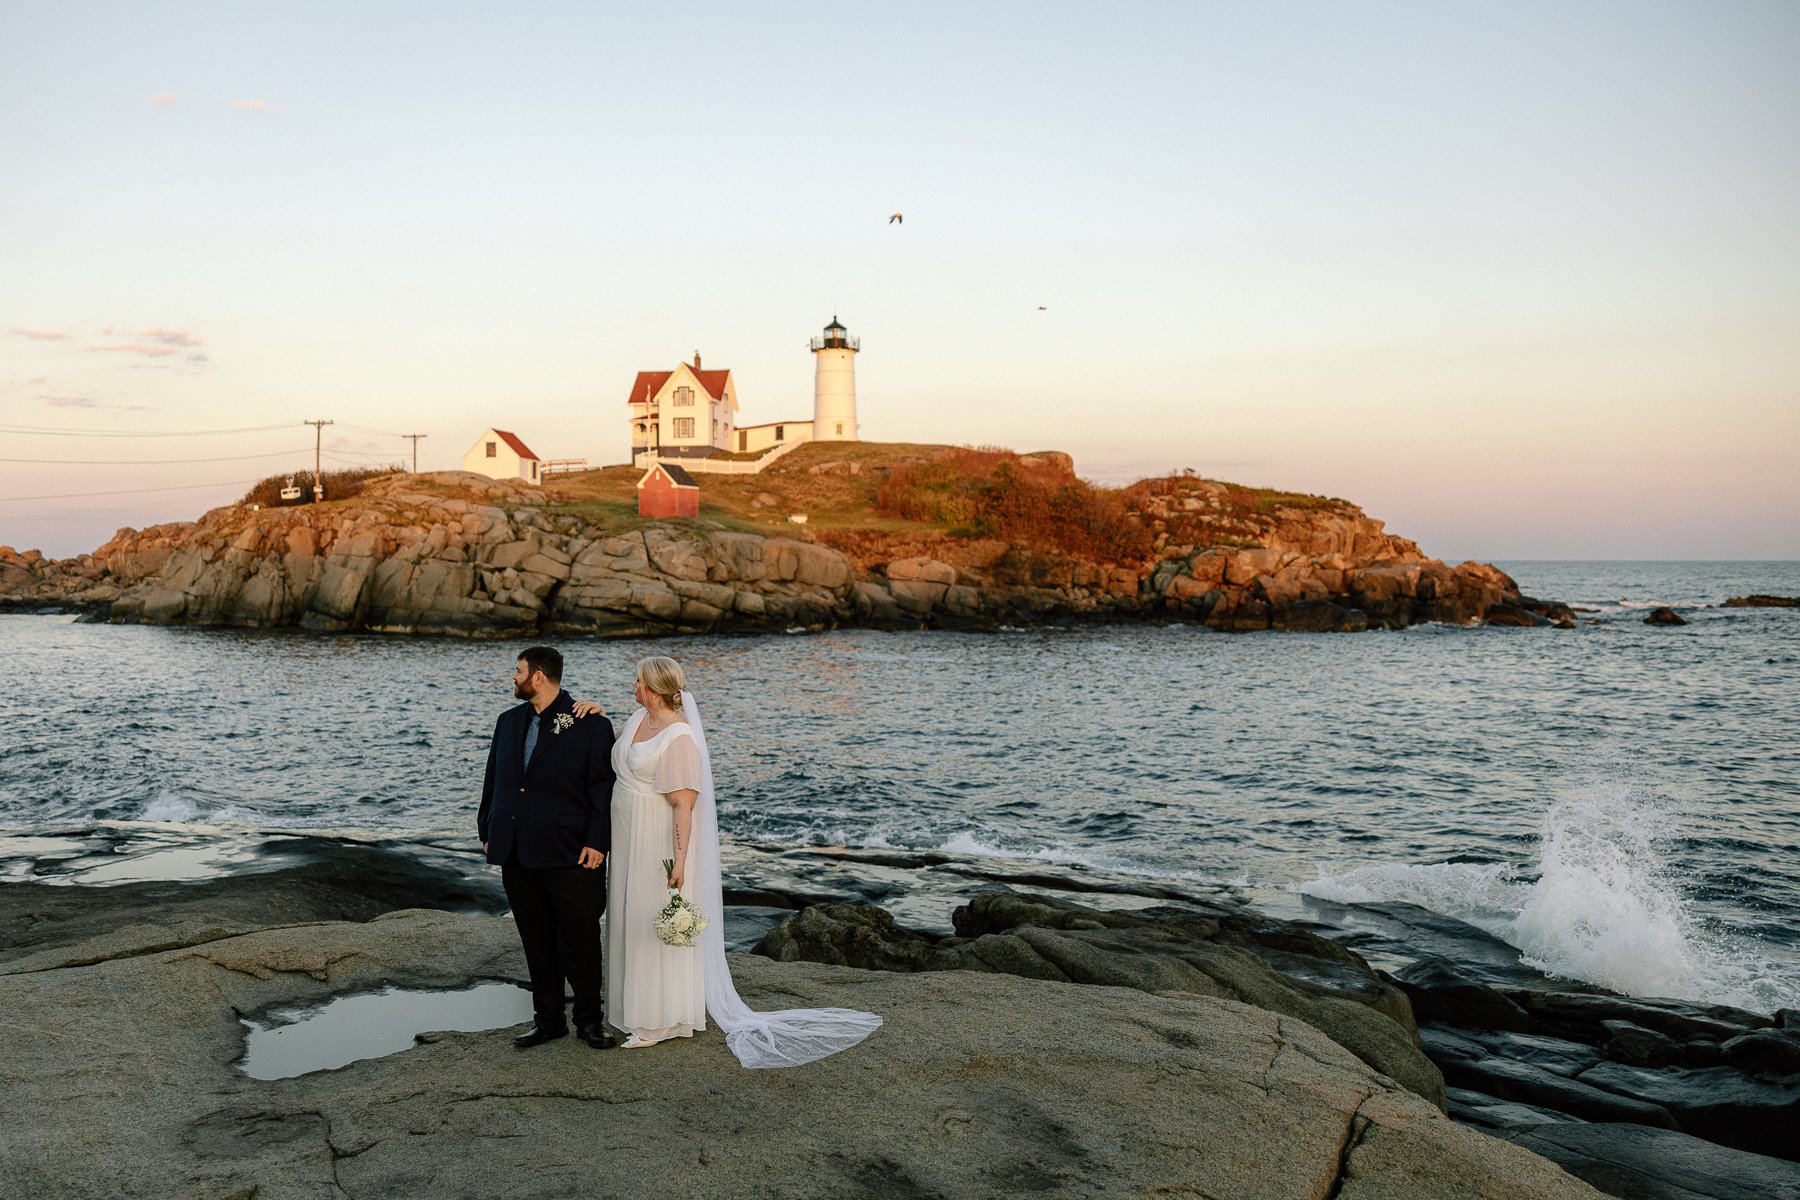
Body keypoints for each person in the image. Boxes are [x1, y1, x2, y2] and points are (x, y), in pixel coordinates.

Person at [576, 655, 882, 1067]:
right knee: (631, 916)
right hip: (628, 836)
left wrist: (680, 862)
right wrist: (597, 717)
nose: (633, 686)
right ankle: (632, 1004)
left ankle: (664, 1017)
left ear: (654, 687)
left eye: (638, 681)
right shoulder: (636, 719)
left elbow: (684, 807)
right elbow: (626, 754)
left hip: (657, 840)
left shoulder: (680, 737)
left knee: (654, 918)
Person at [478, 646, 617, 1051]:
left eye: (517, 671)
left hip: (571, 852)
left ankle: (590, 1021)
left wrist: (597, 841)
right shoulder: (507, 722)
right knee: (535, 940)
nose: (513, 677)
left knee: (581, 940)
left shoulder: (589, 724)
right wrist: (487, 827)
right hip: (515, 850)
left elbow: (602, 788)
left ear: (538, 676)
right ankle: (548, 1021)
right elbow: (494, 779)